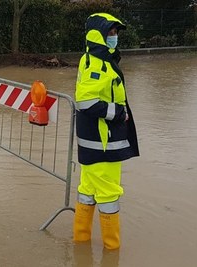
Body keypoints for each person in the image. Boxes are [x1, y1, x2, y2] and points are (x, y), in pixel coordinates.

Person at [73, 13, 139, 250]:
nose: (115, 37)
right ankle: (112, 252)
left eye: (116, 32)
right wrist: (119, 113)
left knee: (87, 192)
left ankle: (81, 246)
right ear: (97, 35)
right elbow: (86, 101)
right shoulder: (99, 64)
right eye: (110, 32)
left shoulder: (90, 58)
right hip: (104, 144)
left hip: (91, 143)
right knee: (109, 196)